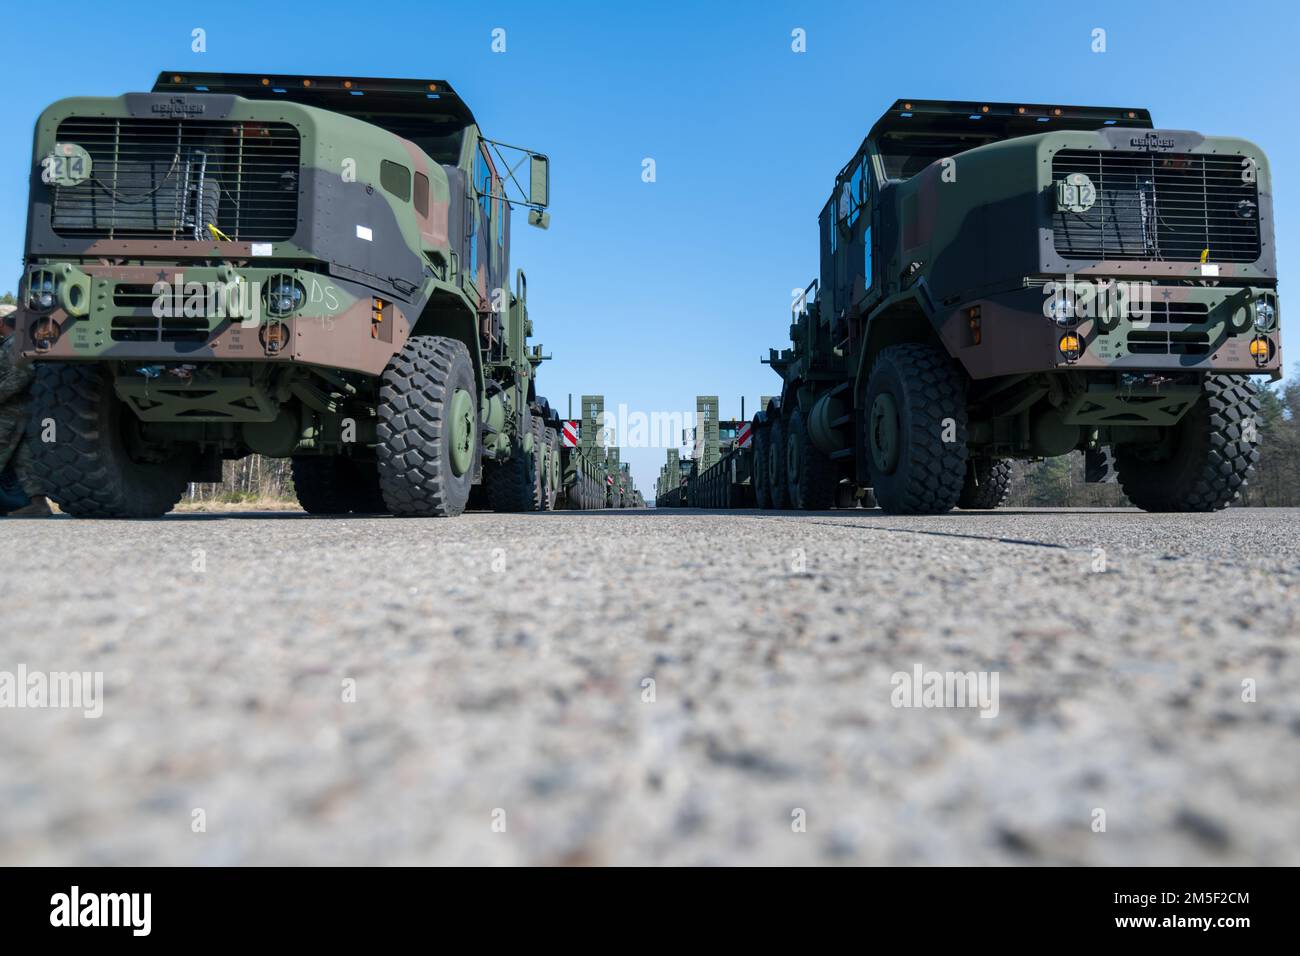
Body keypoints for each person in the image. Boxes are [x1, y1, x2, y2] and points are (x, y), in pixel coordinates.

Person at [0, 305, 53, 516]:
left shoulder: (15, 343)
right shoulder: (17, 342)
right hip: (23, 408)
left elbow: (22, 375)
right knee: (23, 458)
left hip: (11, 411)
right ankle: (38, 504)